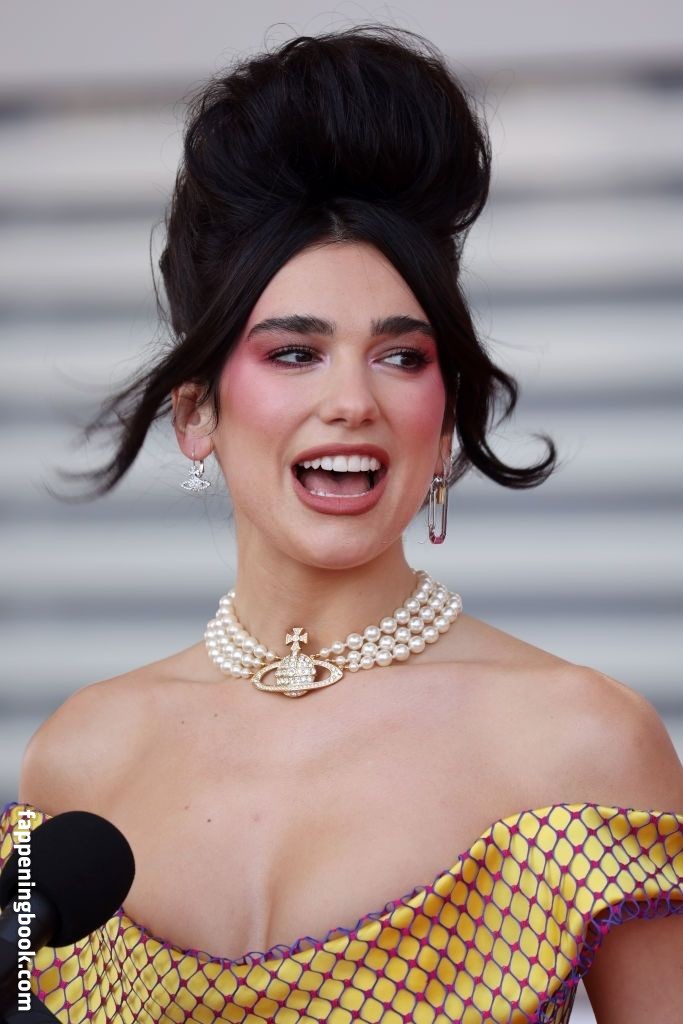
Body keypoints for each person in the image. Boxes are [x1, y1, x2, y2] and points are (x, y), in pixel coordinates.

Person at [1, 24, 681, 1024]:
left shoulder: (582, 744)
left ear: (445, 420)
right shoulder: (80, 758)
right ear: (195, 414)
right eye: (293, 353)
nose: (353, 402)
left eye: (402, 357)